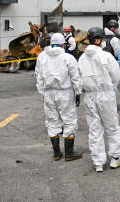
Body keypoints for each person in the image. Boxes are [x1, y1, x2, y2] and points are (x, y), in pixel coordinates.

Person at [78, 27, 120, 172]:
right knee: (111, 127)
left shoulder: (81, 58)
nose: (104, 42)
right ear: (98, 40)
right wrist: (110, 86)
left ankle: (98, 162)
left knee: (94, 129)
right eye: (103, 40)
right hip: (105, 95)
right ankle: (115, 159)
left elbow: (78, 79)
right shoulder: (106, 56)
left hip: (90, 96)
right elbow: (116, 76)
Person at [35, 32, 83, 162]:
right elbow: (75, 77)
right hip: (65, 92)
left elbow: (38, 76)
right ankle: (69, 153)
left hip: (48, 93)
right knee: (69, 120)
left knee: (52, 121)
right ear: (63, 44)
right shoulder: (68, 58)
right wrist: (77, 92)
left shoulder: (42, 57)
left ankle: (56, 153)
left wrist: (42, 93)